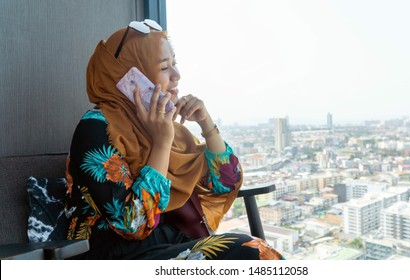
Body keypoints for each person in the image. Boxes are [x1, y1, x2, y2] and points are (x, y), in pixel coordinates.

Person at [65, 19, 283, 260]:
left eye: (175, 64)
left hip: (172, 243)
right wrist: (161, 143)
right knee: (251, 250)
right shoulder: (95, 129)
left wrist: (206, 124)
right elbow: (133, 224)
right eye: (164, 67)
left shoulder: (169, 129)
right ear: (130, 78)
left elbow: (226, 182)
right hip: (114, 255)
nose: (177, 76)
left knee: (253, 251)